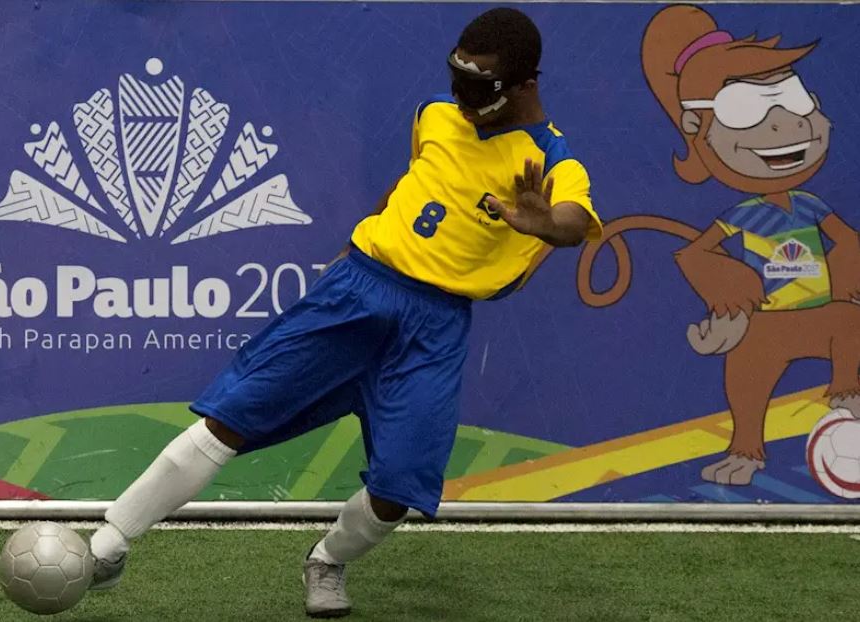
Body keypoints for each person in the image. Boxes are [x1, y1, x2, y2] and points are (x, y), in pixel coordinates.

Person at [87, 7, 601, 618]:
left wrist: (545, 224)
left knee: (398, 488)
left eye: (479, 86)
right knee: (232, 416)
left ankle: (326, 560)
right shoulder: (435, 115)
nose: (462, 96)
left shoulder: (553, 160)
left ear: (524, 84)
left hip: (435, 328)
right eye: (457, 78)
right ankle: (106, 544)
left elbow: (573, 220)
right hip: (360, 289)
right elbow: (417, 180)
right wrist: (356, 247)